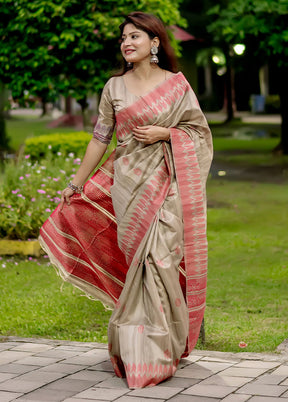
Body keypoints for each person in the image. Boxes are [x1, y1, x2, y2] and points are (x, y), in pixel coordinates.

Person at [39, 11, 213, 388]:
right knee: (139, 268)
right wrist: (76, 182)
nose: (127, 43)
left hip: (168, 186)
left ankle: (158, 351)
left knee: (162, 261)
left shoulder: (177, 85)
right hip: (128, 188)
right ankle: (141, 351)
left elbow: (198, 133)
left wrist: (167, 133)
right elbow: (100, 139)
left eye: (135, 36)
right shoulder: (114, 88)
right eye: (123, 38)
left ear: (155, 43)